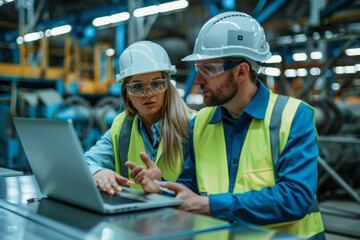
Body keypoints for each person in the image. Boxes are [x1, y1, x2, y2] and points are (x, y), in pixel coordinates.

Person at [130, 12, 325, 239]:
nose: (198, 80)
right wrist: (163, 189)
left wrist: (211, 206)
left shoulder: (293, 117)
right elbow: (191, 187)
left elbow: (295, 198)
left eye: (208, 69)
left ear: (241, 71)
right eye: (197, 68)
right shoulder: (200, 123)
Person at [85, 41, 194, 194]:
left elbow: (201, 190)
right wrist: (97, 171)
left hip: (182, 215)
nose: (148, 94)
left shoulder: (193, 125)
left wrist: (162, 186)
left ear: (167, 88)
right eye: (137, 86)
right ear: (127, 94)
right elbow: (87, 161)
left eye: (156, 84)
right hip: (136, 215)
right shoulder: (122, 125)